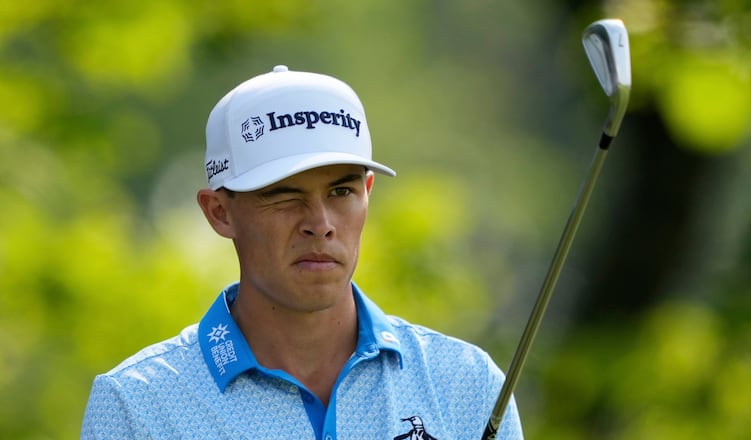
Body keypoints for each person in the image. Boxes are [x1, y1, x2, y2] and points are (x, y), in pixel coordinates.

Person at [81, 65, 523, 439]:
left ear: (368, 193)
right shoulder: (137, 405)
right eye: (284, 196)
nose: (320, 223)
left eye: (341, 191)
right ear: (219, 212)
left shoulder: (466, 384)